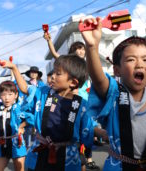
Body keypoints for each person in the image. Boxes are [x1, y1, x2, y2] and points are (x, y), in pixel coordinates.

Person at [80, 17, 146, 171]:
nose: (139, 64)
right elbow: (99, 80)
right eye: (131, 60)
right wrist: (92, 47)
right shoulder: (113, 95)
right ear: (117, 70)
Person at [1, 55, 107, 171]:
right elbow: (25, 88)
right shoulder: (43, 93)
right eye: (53, 73)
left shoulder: (81, 105)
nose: (52, 77)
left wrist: (101, 133)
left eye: (58, 74)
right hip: (40, 151)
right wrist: (14, 68)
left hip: (67, 157)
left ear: (73, 82)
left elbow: (88, 128)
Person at [44, 31, 99, 171]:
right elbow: (56, 55)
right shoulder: (66, 66)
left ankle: (87, 157)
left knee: (80, 131)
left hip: (80, 105)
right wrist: (49, 41)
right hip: (67, 100)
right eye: (77, 49)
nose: (80, 51)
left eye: (82, 48)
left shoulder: (87, 68)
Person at [0, 76, 28, 171]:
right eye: (4, 94)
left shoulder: (18, 107)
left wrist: (21, 126)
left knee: (19, 169)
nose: (7, 98)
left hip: (17, 143)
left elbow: (30, 118)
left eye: (10, 94)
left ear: (16, 95)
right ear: (0, 95)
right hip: (2, 144)